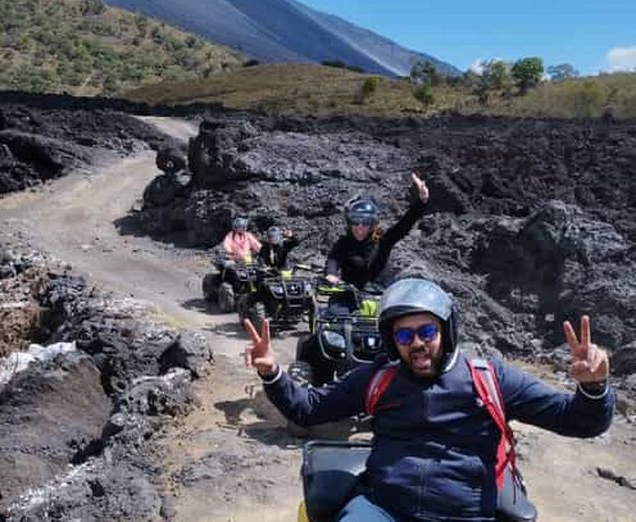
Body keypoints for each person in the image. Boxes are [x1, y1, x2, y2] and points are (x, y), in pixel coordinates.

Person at [244, 278, 614, 522]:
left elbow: (577, 421)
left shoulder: (489, 378)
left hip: (464, 514)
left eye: (426, 330)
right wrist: (271, 373)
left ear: (446, 330)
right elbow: (307, 409)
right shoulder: (380, 378)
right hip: (383, 508)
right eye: (404, 336)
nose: (417, 343)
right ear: (392, 341)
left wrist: (593, 389)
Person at [324, 173, 429, 315]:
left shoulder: (383, 240)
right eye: (355, 222)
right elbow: (333, 259)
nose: (359, 227)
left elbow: (404, 225)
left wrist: (421, 201)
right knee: (336, 319)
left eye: (365, 223)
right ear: (350, 223)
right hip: (346, 295)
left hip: (378, 295)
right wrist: (331, 274)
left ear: (372, 225)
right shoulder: (344, 243)